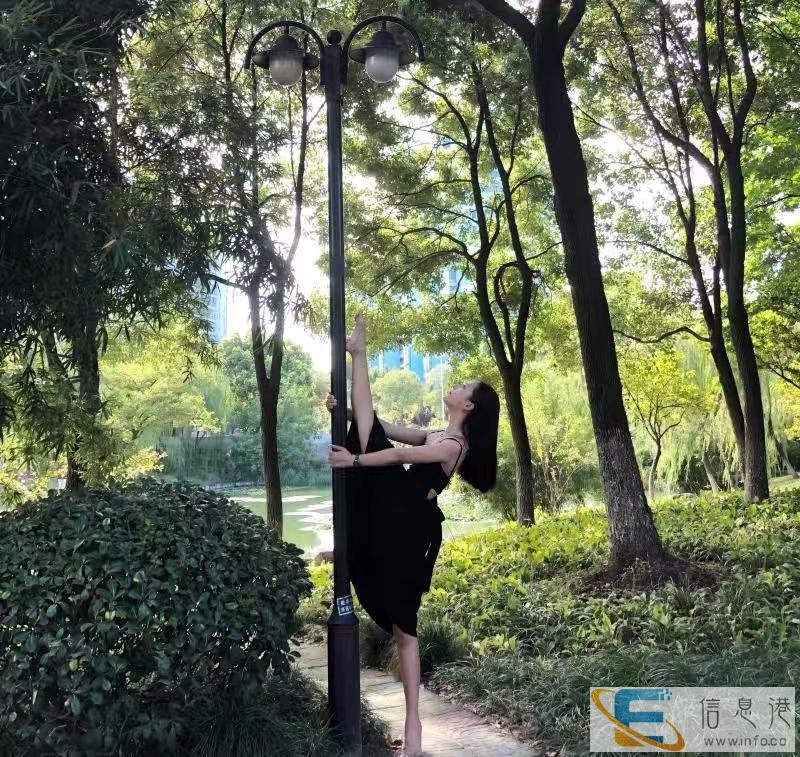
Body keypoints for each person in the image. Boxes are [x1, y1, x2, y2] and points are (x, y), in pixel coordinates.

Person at [326, 311, 500, 757]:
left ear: (469, 407)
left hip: (407, 528)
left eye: (464, 386)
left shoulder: (455, 446)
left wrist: (355, 461)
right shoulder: (436, 433)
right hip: (390, 511)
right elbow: (383, 429)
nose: (457, 385)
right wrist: (344, 411)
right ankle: (358, 355)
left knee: (406, 629)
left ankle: (413, 725)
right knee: (366, 431)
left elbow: (397, 454)